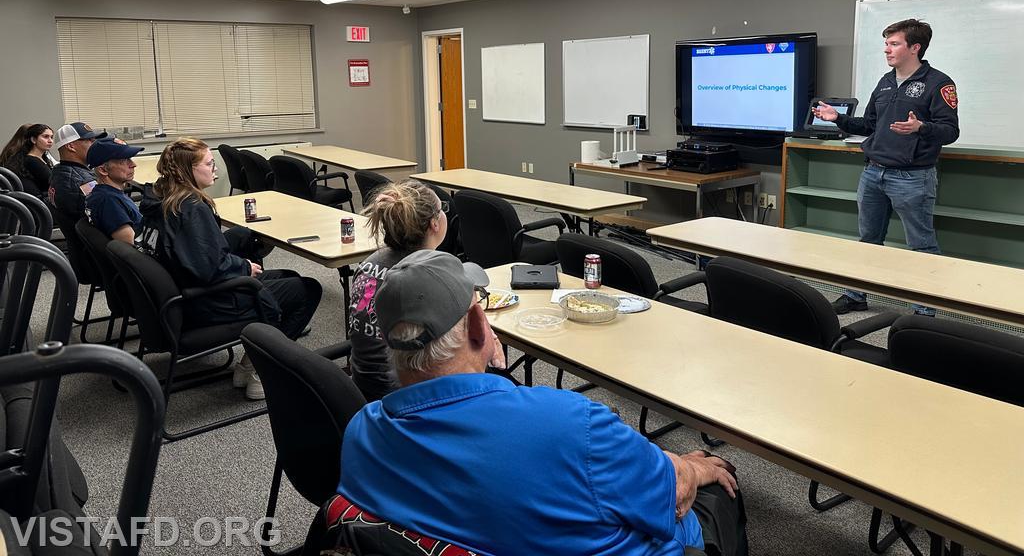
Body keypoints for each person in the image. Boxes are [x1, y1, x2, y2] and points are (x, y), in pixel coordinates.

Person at [337, 250, 748, 556]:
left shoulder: (363, 431)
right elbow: (672, 494)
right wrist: (692, 466)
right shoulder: (572, 423)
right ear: (481, 326)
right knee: (721, 491)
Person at [139, 137, 322, 400]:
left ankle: (248, 363)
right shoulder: (191, 207)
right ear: (188, 170)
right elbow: (207, 268)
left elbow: (196, 253)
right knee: (307, 289)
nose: (215, 169)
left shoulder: (161, 200)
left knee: (288, 276)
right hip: (208, 300)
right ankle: (264, 371)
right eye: (209, 163)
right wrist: (244, 267)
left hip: (182, 295)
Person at [813, 19, 959, 315]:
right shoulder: (885, 81)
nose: (887, 49)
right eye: (886, 43)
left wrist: (921, 128)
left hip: (912, 177)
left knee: (921, 244)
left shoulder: (939, 83)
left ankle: (925, 309)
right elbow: (869, 125)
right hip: (873, 172)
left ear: (914, 48)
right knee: (868, 240)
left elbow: (950, 131)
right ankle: (857, 295)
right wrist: (837, 119)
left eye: (894, 44)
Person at [348, 180, 450, 401]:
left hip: (362, 385)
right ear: (434, 223)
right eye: (443, 210)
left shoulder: (369, 262)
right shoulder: (428, 273)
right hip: (402, 394)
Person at [84, 138, 144, 244]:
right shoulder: (108, 202)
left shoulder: (105, 194)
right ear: (103, 170)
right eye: (124, 160)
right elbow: (131, 248)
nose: (133, 164)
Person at [49, 122, 107, 221]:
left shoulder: (59, 170)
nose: (96, 145)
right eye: (90, 141)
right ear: (71, 146)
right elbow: (106, 218)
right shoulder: (83, 183)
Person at [0, 123, 55, 198]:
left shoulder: (41, 158)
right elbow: (54, 182)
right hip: (38, 203)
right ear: (33, 139)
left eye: (51, 137)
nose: (50, 141)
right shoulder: (32, 160)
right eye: (46, 137)